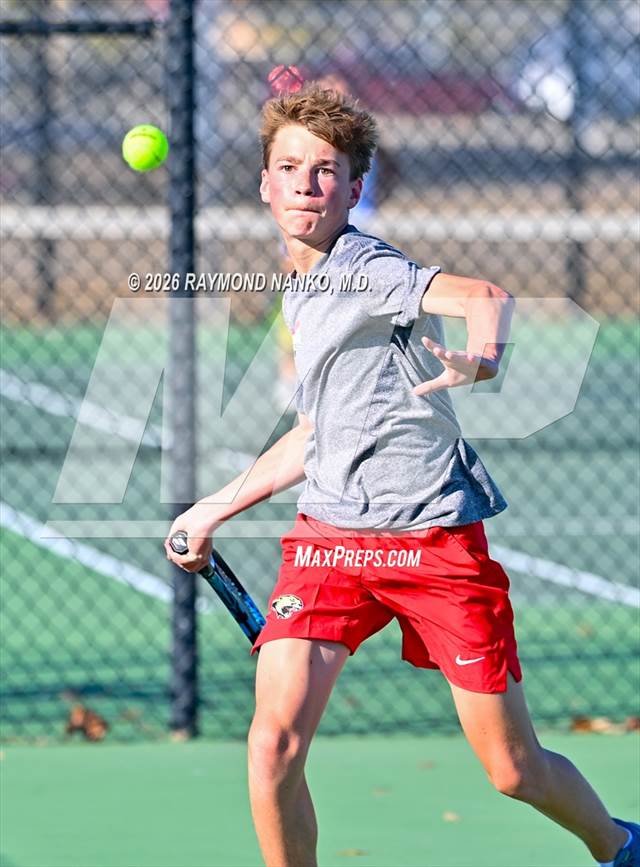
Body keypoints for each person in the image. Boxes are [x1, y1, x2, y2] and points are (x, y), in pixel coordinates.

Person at [165, 85, 639, 867]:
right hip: (329, 543)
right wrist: (216, 507)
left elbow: (485, 297)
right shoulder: (302, 285)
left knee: (513, 769)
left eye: (326, 172)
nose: (306, 186)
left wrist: (482, 358)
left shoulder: (364, 267)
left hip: (433, 541)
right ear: (263, 183)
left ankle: (619, 844)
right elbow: (318, 431)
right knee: (273, 744)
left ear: (356, 189)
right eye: (290, 168)